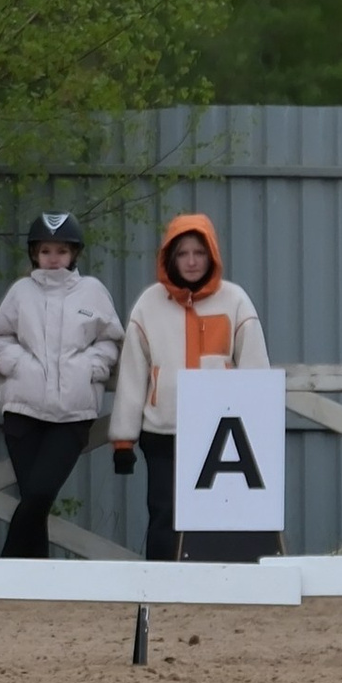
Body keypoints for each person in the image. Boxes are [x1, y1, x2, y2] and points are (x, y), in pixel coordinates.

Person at [108, 210, 268, 560]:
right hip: (164, 431)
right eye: (182, 253)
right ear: (169, 258)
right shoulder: (148, 304)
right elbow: (133, 372)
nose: (192, 261)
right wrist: (123, 438)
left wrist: (257, 430)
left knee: (217, 517)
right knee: (164, 512)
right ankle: (161, 587)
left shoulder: (236, 301)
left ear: (212, 255)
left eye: (199, 252)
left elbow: (255, 368)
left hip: (221, 435)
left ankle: (213, 591)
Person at [0, 208, 123, 558]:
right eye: (46, 251)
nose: (54, 259)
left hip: (73, 414)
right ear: (34, 254)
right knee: (34, 499)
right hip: (23, 411)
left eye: (62, 251)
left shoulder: (93, 292)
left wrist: (95, 364)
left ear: (74, 254)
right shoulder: (21, 292)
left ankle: (3, 573)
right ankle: (35, 582)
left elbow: (111, 340)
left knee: (41, 493)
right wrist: (14, 362)